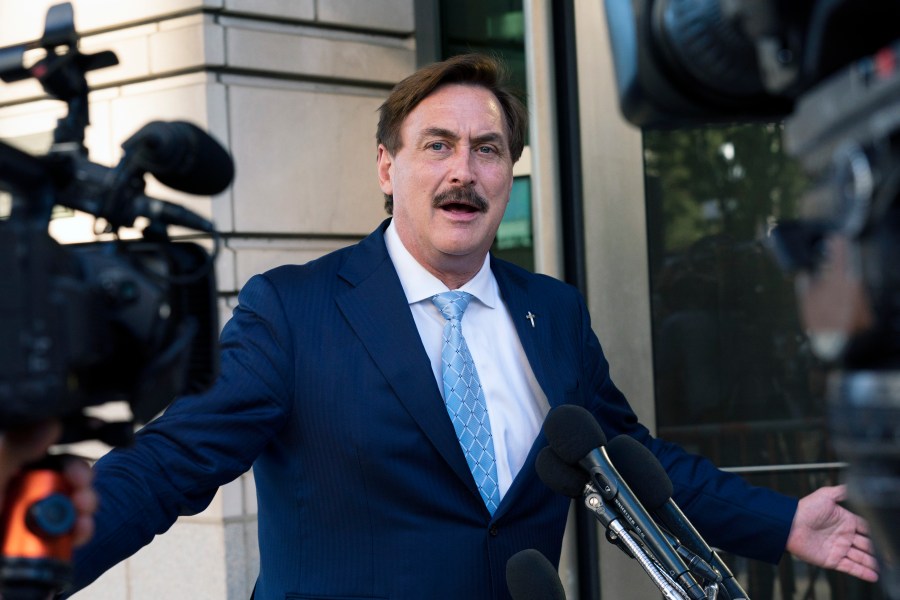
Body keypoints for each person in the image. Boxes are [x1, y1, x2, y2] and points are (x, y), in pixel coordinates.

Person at [67, 53, 878, 599]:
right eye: (438, 145)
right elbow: (171, 463)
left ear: (511, 174)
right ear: (389, 168)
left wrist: (782, 522)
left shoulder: (553, 313)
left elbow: (634, 465)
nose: (464, 170)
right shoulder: (294, 309)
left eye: (489, 150)